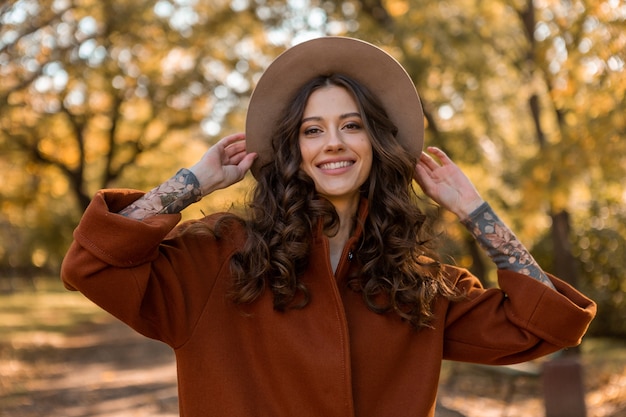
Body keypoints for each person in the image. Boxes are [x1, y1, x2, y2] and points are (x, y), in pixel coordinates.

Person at [61, 37, 596, 417]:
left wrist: (477, 213)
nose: (333, 142)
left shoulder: (420, 283)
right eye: (313, 129)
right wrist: (192, 183)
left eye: (352, 126)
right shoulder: (220, 256)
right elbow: (93, 264)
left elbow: (546, 326)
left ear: (375, 145)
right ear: (294, 150)